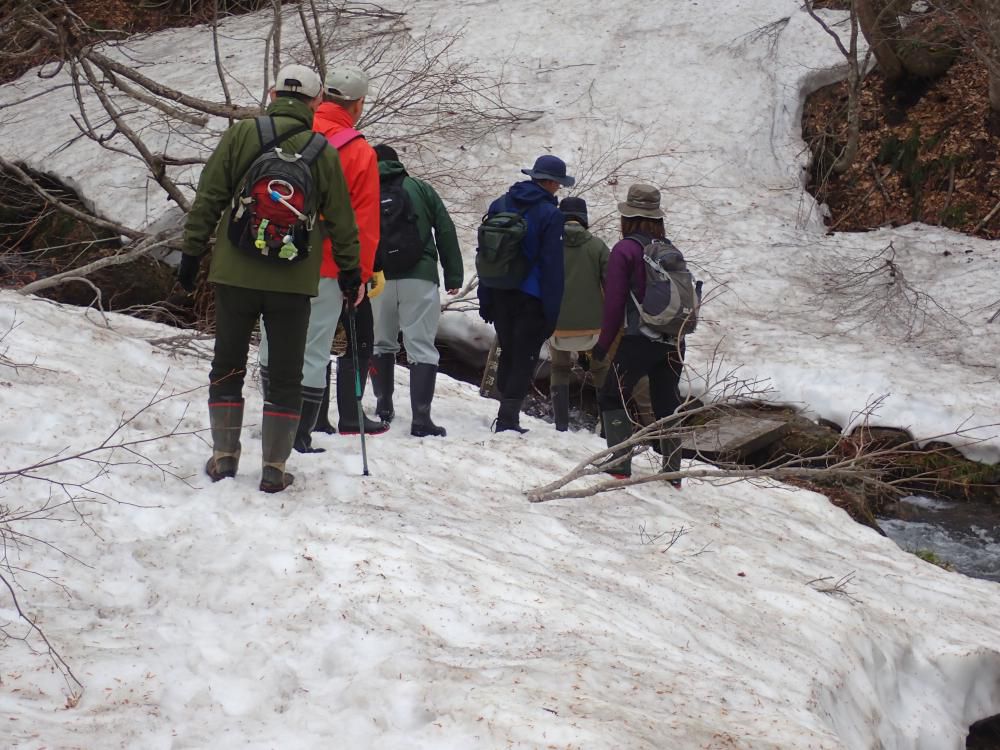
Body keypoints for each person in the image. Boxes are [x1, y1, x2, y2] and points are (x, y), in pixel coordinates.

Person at [178, 63, 360, 493]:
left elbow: (210, 194)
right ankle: (274, 467)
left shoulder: (242, 134)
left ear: (273, 93)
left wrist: (191, 250)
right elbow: (342, 220)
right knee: (285, 372)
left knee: (227, 364)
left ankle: (224, 457)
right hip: (293, 280)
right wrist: (351, 272)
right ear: (316, 102)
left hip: (235, 272)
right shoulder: (322, 149)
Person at [259, 63, 386, 453]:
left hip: (273, 252)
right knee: (314, 348)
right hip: (327, 264)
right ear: (358, 104)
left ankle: (271, 423)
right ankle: (298, 434)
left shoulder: (290, 130)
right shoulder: (358, 150)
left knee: (272, 342)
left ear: (321, 96)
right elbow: (364, 222)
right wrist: (360, 275)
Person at [591, 183, 686, 484]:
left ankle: (619, 464)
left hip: (639, 340)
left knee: (612, 394)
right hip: (674, 340)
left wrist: (603, 346)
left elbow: (615, 304)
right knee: (667, 404)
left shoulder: (626, 250)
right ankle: (672, 471)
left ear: (627, 217)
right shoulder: (671, 249)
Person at [368, 144, 464, 437]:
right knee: (420, 345)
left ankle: (384, 408)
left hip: (379, 278)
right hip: (419, 277)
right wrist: (453, 274)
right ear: (398, 163)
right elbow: (445, 228)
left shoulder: (362, 190)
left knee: (381, 343)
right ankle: (421, 419)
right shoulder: (420, 189)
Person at [477, 155, 571, 433]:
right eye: (559, 184)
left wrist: (486, 295)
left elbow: (485, 253)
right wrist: (552, 312)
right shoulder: (551, 215)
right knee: (525, 356)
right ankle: (508, 420)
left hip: (499, 290)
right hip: (531, 296)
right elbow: (552, 266)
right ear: (552, 182)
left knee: (508, 350)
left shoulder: (500, 204)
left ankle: (505, 409)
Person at [547, 196, 610, 432]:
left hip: (556, 322)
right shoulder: (598, 246)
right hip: (593, 326)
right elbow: (612, 284)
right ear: (584, 219)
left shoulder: (549, 243)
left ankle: (560, 424)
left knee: (559, 368)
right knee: (600, 369)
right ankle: (605, 426)